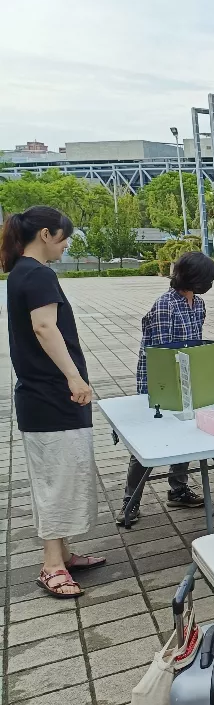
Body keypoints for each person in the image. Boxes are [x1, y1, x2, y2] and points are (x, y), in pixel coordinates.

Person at [3, 206, 106, 598]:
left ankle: (62, 552)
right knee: (58, 479)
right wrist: (75, 377)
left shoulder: (21, 273)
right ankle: (51, 565)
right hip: (50, 395)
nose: (65, 246)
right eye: (63, 238)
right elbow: (45, 327)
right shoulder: (39, 274)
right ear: (46, 234)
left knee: (59, 474)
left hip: (41, 396)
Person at [124, 251, 214, 518]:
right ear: (193, 277)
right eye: (207, 278)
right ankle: (130, 502)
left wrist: (208, 353)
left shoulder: (197, 304)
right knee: (148, 442)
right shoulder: (165, 305)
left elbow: (194, 340)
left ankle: (178, 491)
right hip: (160, 383)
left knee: (187, 435)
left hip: (189, 381)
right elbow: (162, 353)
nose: (210, 284)